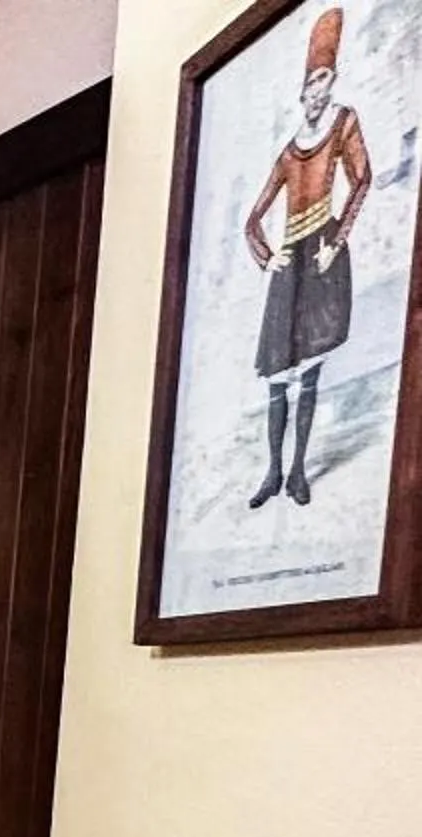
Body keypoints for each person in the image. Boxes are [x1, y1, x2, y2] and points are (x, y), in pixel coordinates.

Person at [245, 7, 374, 507]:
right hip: (290, 266)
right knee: (277, 376)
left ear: (332, 81)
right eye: (311, 83)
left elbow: (363, 179)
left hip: (322, 255)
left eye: (325, 79)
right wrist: (265, 257)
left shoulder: (344, 123)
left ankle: (298, 470)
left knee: (311, 372)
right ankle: (273, 471)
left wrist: (337, 239)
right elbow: (252, 220)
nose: (318, 90)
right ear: (302, 93)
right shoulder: (286, 152)